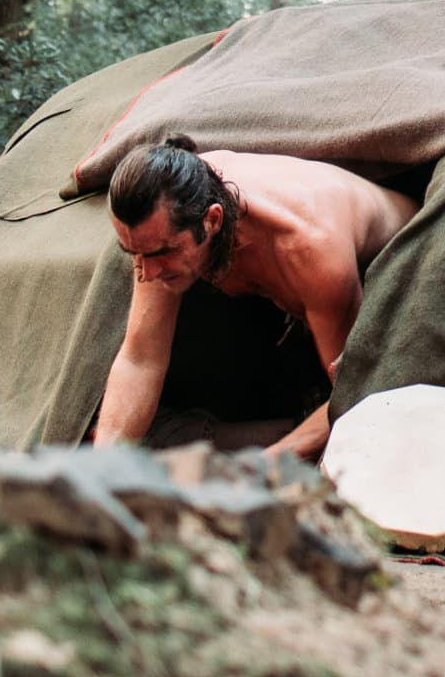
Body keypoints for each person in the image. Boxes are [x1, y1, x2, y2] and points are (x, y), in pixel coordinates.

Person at [94, 134, 420, 460]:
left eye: (162, 253)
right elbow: (140, 359)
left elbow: (356, 394)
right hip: (306, 328)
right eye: (133, 253)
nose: (147, 273)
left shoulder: (309, 249)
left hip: (403, 283)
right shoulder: (169, 203)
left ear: (213, 220)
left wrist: (258, 469)